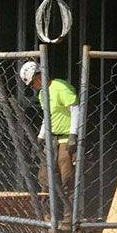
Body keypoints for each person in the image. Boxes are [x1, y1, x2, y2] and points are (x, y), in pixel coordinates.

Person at [21, 60, 79, 193]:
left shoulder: (61, 88)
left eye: (32, 84)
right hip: (52, 138)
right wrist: (40, 138)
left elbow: (76, 110)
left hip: (66, 137)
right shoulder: (42, 94)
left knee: (67, 175)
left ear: (38, 76)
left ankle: (69, 206)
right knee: (45, 176)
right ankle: (46, 205)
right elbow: (47, 117)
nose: (33, 87)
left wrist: (73, 135)